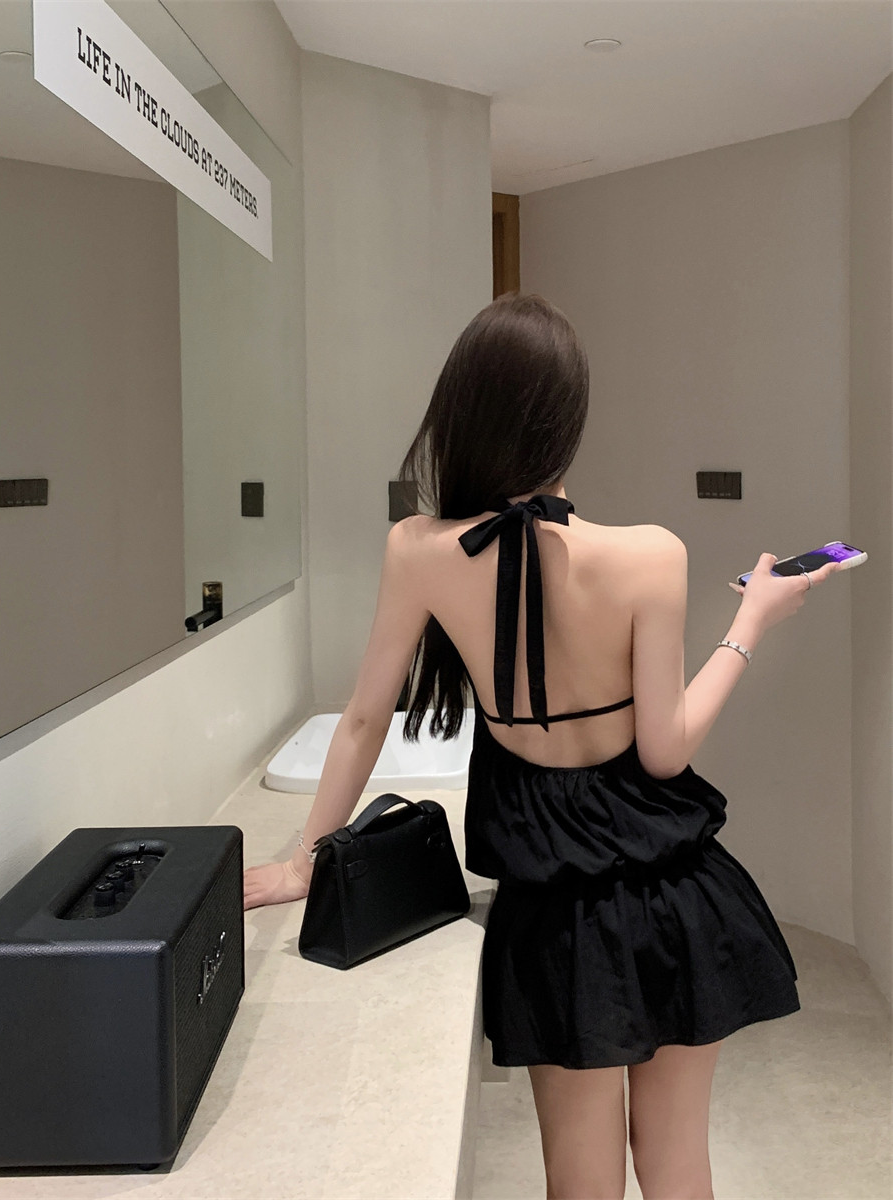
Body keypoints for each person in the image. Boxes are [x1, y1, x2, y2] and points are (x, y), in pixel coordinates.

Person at [243, 292, 841, 1200]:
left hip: (551, 911)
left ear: (460, 412)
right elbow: (665, 754)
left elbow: (364, 718)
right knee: (678, 1164)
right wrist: (751, 620)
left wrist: (305, 859)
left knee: (578, 1182)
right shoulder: (652, 554)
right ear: (568, 421)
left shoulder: (418, 549)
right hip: (672, 890)